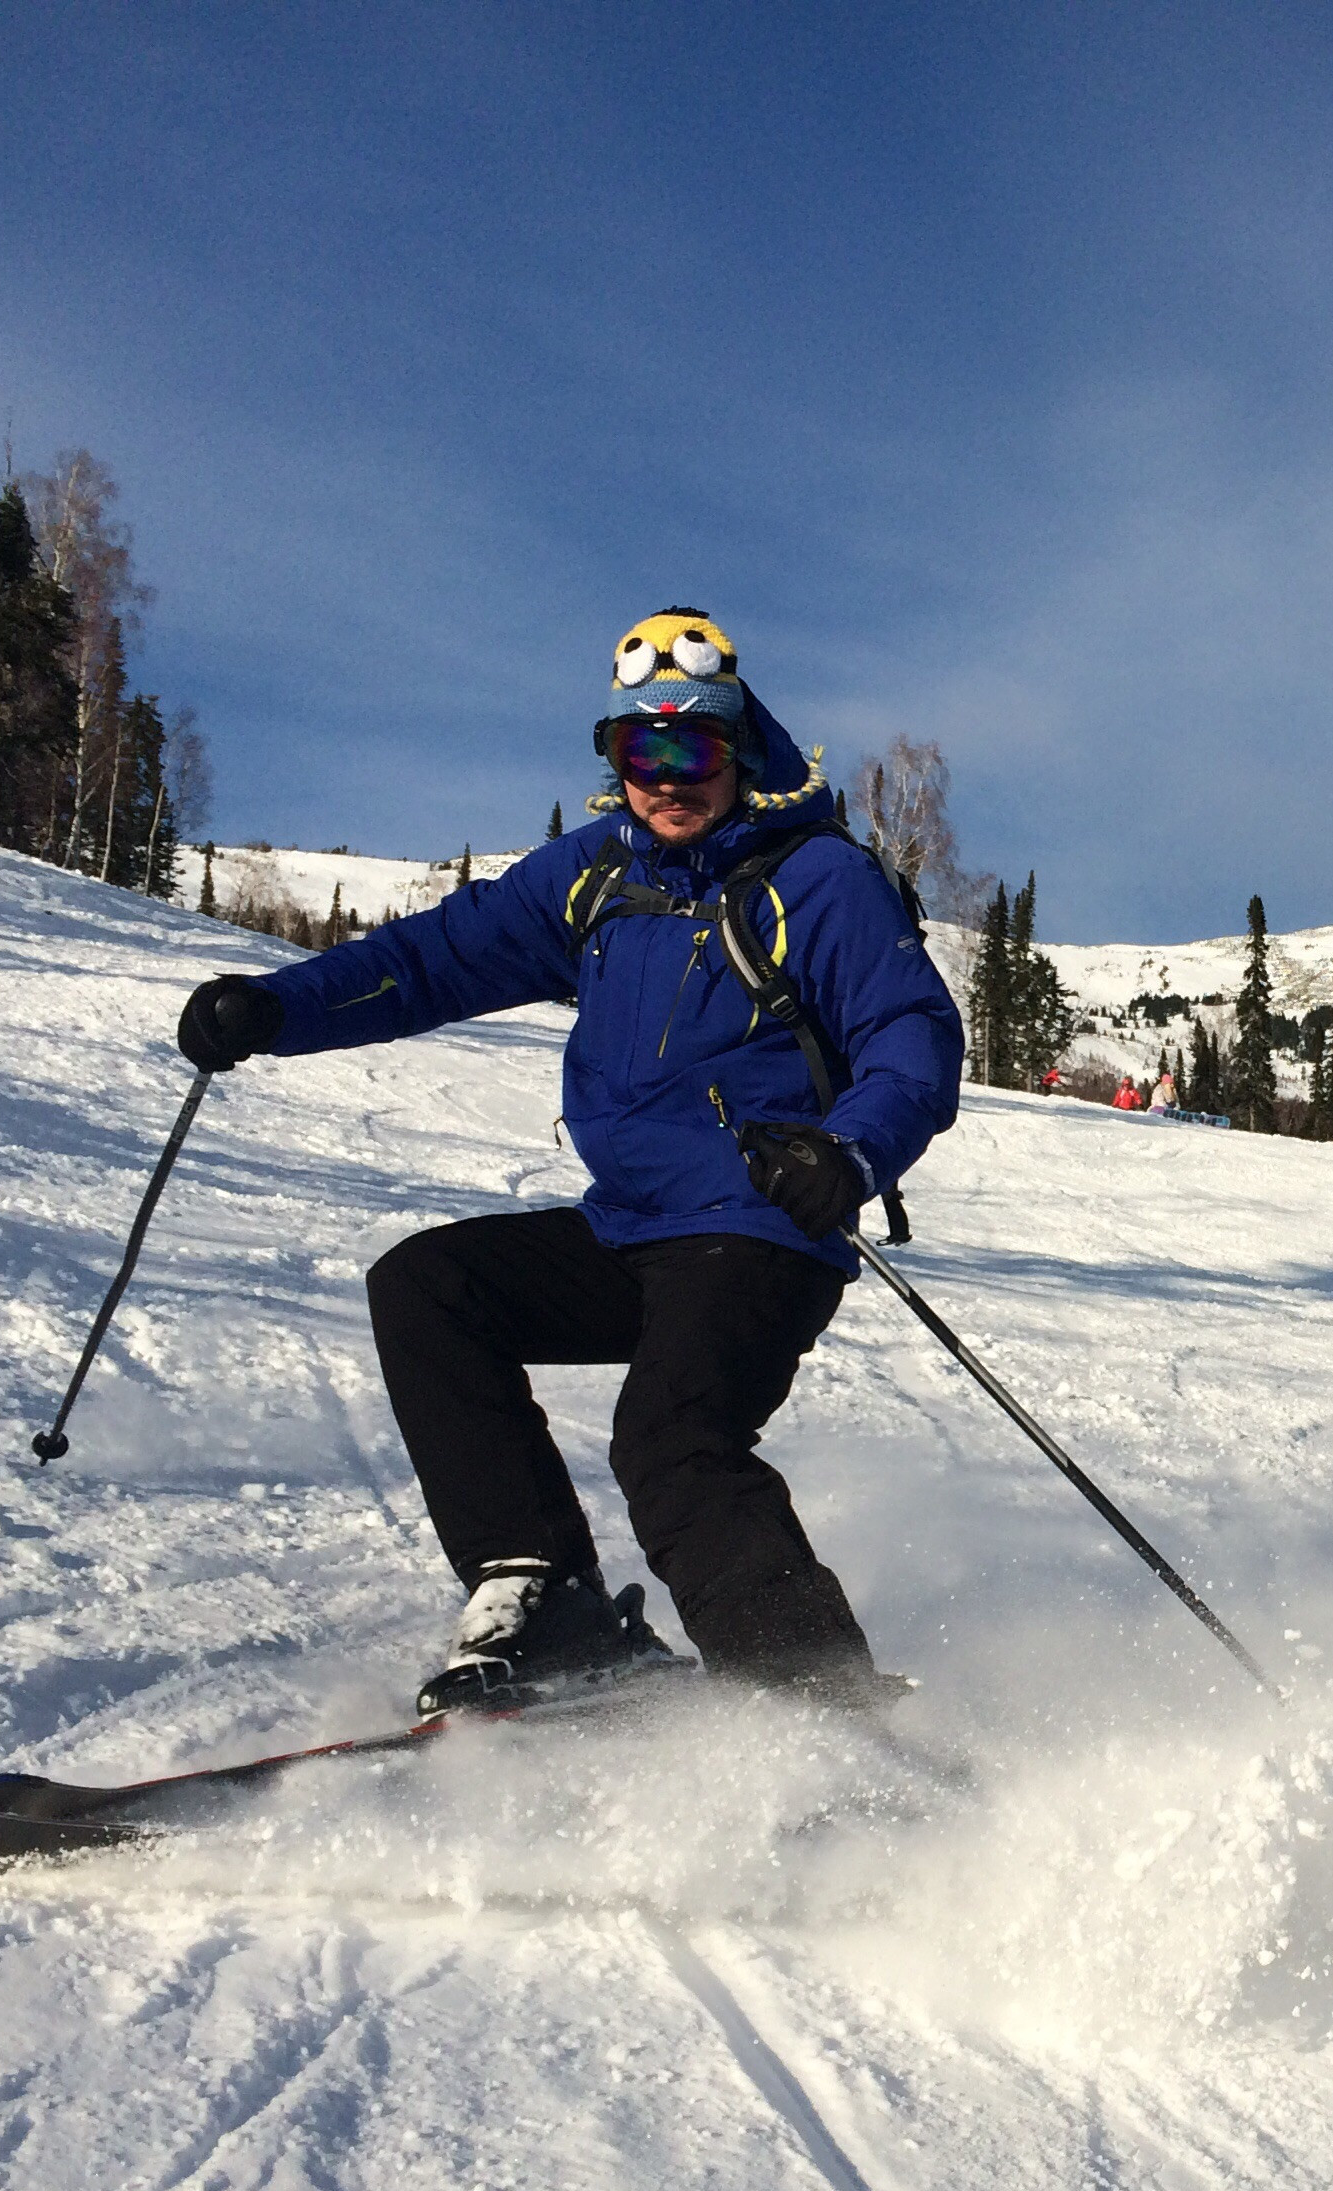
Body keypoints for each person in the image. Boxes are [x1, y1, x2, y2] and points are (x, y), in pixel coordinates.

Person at [175, 609, 963, 1715]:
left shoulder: (817, 877)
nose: (668, 781)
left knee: (672, 1438)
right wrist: (271, 1008)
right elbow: (428, 962)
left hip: (760, 1223)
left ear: (738, 749)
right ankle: (545, 1592)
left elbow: (912, 1039)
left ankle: (818, 1704)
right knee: (430, 1285)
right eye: (640, 753)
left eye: (693, 750)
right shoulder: (594, 875)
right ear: (614, 757)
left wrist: (849, 1151)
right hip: (630, 1225)